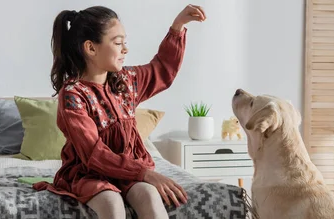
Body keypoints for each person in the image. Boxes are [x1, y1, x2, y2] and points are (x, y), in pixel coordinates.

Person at [32, 4, 206, 219]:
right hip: (91, 174)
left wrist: (178, 26)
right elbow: (94, 154)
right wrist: (145, 173)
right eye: (118, 43)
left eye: (125, 42)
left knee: (150, 197)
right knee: (112, 203)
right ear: (91, 48)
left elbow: (162, 69)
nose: (125, 49)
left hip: (129, 171)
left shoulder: (127, 81)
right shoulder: (73, 95)